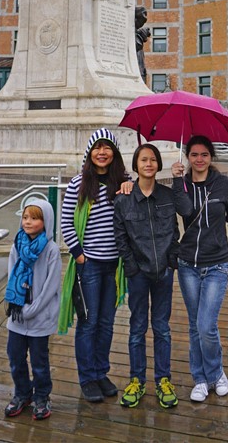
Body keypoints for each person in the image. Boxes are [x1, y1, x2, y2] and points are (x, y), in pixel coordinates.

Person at [59, 128, 131, 403]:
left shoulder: (123, 182)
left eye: (107, 147)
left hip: (114, 265)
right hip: (89, 265)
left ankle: (101, 372)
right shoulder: (79, 183)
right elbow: (67, 222)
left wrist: (129, 186)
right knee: (89, 323)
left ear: (114, 152)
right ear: (90, 153)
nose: (102, 152)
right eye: (97, 147)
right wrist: (79, 256)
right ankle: (87, 377)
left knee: (107, 322)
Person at [171, 135, 228, 402]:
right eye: (194, 155)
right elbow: (185, 209)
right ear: (187, 158)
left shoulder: (223, 185)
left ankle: (216, 373)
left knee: (206, 325)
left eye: (204, 155)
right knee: (194, 325)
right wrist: (177, 180)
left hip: (216, 264)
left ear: (211, 157)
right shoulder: (183, 184)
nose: (199, 160)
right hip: (188, 263)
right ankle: (199, 378)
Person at [114, 143, 180, 410]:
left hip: (163, 271)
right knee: (137, 328)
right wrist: (131, 267)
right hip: (138, 273)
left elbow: (174, 231)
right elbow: (121, 237)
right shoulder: (123, 198)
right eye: (144, 159)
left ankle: (163, 379)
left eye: (153, 159)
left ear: (158, 164)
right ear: (136, 165)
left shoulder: (167, 196)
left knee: (162, 328)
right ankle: (137, 380)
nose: (149, 164)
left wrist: (172, 260)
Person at [4, 198, 61, 421]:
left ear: (46, 221)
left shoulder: (51, 249)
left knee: (39, 361)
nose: (28, 222)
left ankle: (42, 396)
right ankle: (22, 393)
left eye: (35, 218)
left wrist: (33, 308)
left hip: (40, 317)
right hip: (17, 316)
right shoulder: (17, 244)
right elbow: (11, 276)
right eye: (25, 217)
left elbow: (51, 286)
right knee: (15, 357)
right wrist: (19, 307)